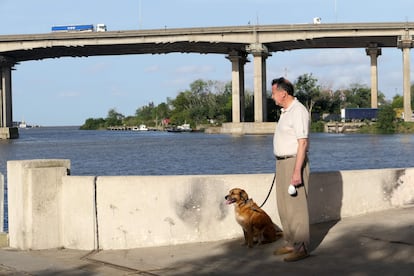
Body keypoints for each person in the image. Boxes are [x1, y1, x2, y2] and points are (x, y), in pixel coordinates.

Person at [271, 77, 310, 262]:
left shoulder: (298, 111)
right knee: (284, 206)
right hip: (282, 163)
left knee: (297, 207)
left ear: (283, 93)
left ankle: (301, 247)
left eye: (273, 93)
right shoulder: (285, 112)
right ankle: (290, 243)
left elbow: (302, 143)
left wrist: (296, 172)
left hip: (294, 162)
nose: (272, 97)